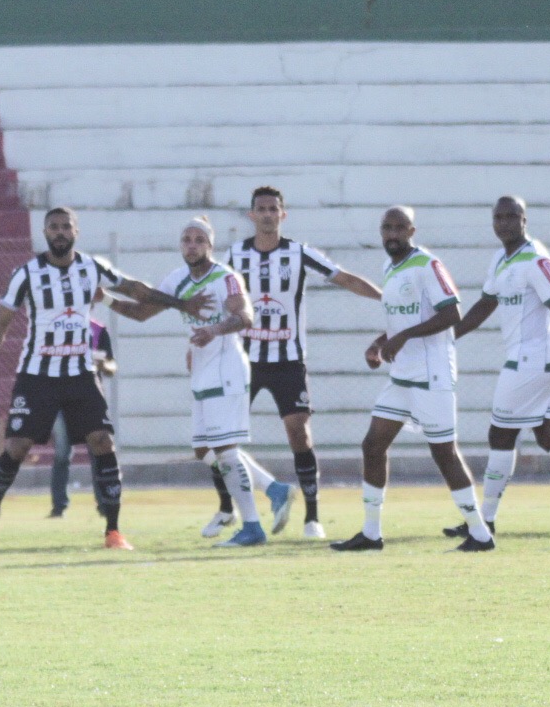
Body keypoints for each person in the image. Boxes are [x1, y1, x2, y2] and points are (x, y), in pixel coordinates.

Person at [0, 206, 210, 550]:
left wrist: (179, 304)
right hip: (37, 374)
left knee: (102, 441)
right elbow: (0, 323)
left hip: (80, 373)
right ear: (45, 233)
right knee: (17, 446)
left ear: (76, 232)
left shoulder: (90, 267)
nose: (59, 232)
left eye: (65, 227)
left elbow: (134, 289)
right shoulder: (26, 274)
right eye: (53, 227)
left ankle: (113, 531)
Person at [330, 207, 495, 552]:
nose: (392, 234)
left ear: (412, 230)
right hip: (403, 376)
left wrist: (402, 338)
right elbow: (400, 318)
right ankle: (371, 533)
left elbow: (452, 313)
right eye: (386, 228)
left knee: (444, 454)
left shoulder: (427, 265)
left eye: (399, 228)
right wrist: (381, 342)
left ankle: (480, 533)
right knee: (372, 446)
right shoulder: (391, 268)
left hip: (432, 375)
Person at [223, 186, 384, 538]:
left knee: (299, 432)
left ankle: (312, 517)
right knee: (223, 435)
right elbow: (213, 292)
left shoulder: (298, 253)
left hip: (288, 360)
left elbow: (344, 277)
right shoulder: (235, 255)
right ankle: (227, 510)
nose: (267, 214)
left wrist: (385, 300)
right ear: (251, 215)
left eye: (272, 209)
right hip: (244, 359)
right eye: (260, 209)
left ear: (283, 214)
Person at [447, 196, 550, 538]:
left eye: (511, 217)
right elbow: (484, 306)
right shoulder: (502, 258)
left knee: (500, 434)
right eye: (498, 217)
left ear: (524, 220)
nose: (504, 223)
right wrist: (447, 337)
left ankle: (485, 521)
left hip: (532, 359)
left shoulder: (536, 260)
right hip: (541, 358)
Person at [113, 217, 268, 547]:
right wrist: (104, 297)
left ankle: (252, 525)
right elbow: (142, 312)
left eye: (199, 239)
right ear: (180, 245)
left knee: (225, 449)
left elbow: (245, 317)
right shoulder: (177, 280)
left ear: (210, 246)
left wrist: (214, 329)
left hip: (226, 368)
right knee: (203, 448)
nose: (193, 244)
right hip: (201, 369)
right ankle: (271, 488)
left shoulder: (225, 278)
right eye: (187, 239)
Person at [49, 322, 114, 517]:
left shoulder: (98, 330)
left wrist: (102, 364)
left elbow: (111, 366)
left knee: (98, 452)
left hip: (90, 399)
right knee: (62, 453)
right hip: (61, 400)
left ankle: (104, 504)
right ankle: (59, 506)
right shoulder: (54, 327)